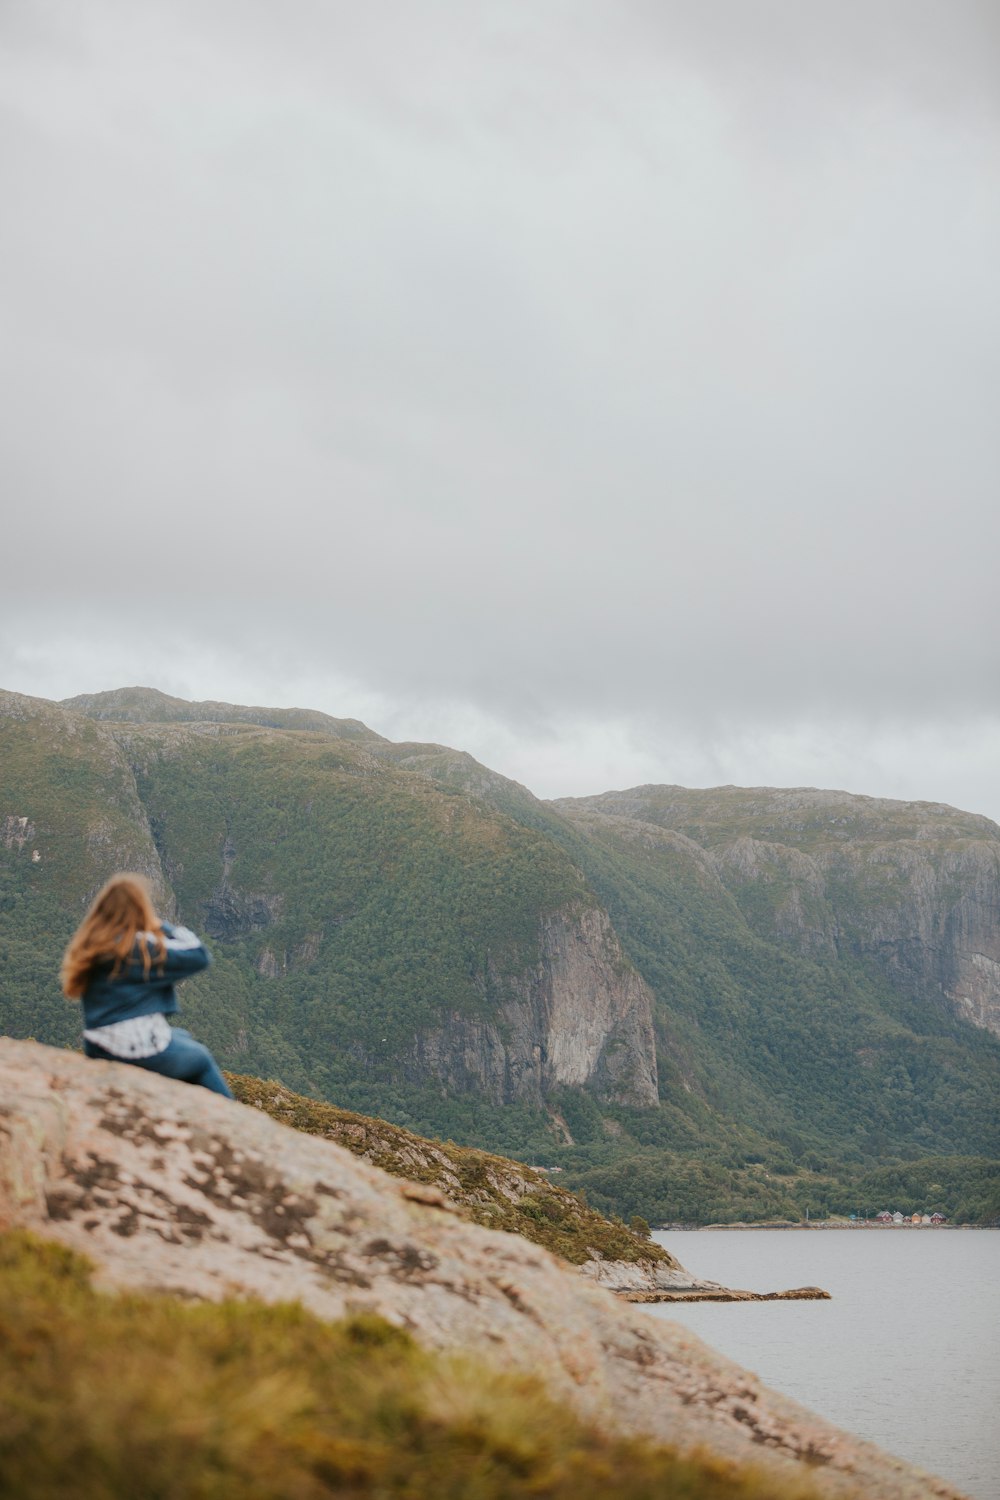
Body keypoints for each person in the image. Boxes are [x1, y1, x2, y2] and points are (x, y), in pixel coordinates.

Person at [61, 872, 233, 1098]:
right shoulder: (139, 947)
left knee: (181, 1036)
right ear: (140, 908)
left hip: (97, 1045)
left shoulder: (92, 945)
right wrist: (161, 925)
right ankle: (232, 1116)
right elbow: (199, 955)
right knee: (200, 1057)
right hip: (131, 1048)